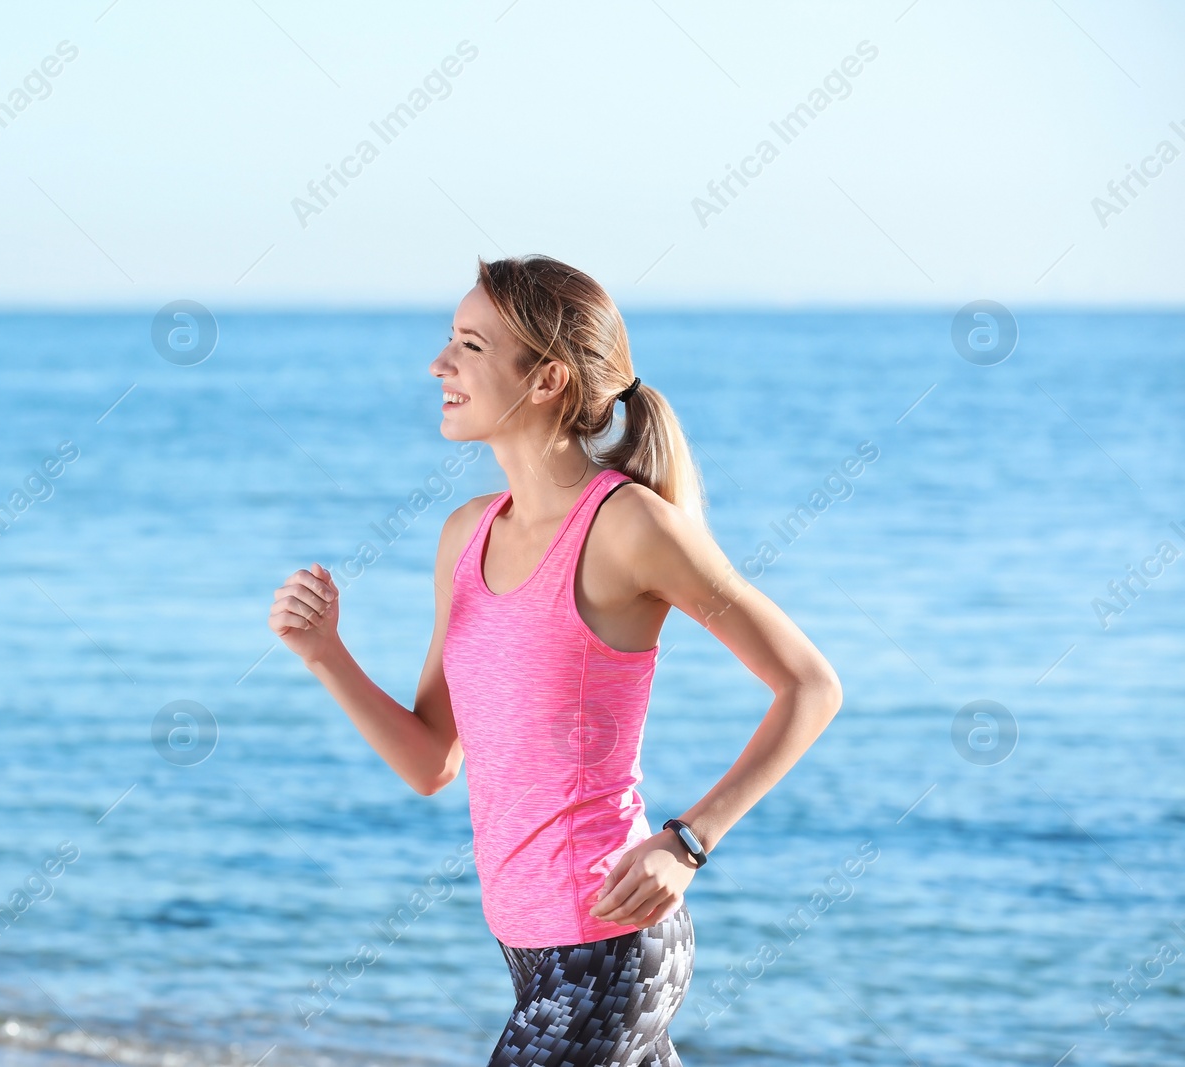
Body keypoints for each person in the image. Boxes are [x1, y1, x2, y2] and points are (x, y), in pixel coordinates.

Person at [268, 254, 842, 1067]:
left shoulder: (627, 528)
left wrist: (689, 841)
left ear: (545, 380)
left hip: (606, 947)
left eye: (470, 345)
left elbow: (810, 686)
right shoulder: (466, 534)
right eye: (450, 341)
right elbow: (433, 759)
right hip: (531, 953)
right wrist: (326, 655)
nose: (440, 364)